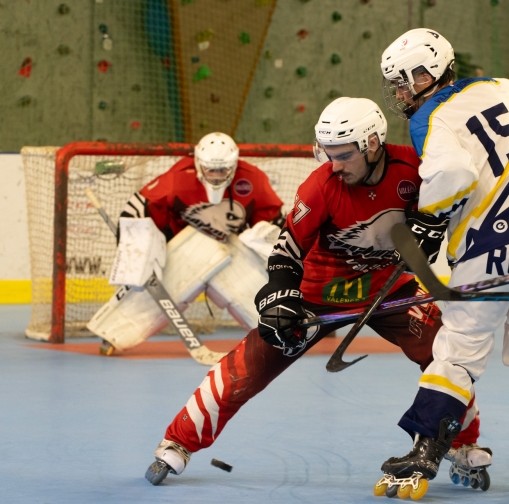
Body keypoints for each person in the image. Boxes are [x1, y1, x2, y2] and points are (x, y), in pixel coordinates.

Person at [145, 97, 489, 488]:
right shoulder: (320, 187)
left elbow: (459, 205)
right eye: (328, 154)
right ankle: (178, 440)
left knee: (445, 351)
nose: (334, 165)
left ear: (373, 144)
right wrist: (278, 294)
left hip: (390, 290)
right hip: (316, 297)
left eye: (343, 155)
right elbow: (286, 250)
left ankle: (462, 444)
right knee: (247, 367)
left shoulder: (417, 169)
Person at [375, 28, 509, 498]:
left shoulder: (428, 117)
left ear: (426, 75)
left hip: (492, 240)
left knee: (460, 345)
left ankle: (426, 450)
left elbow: (454, 174)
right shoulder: (503, 88)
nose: (400, 93)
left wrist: (428, 218)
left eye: (403, 82)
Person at [89, 132, 285, 355]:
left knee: (253, 290)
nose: (217, 175)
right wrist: (137, 249)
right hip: (183, 250)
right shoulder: (178, 177)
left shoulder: (253, 179)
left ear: (234, 165)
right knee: (155, 290)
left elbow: (275, 222)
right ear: (198, 164)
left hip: (230, 250)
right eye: (211, 169)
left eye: (223, 169)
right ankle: (113, 334)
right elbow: (136, 209)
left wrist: (268, 241)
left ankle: (282, 332)